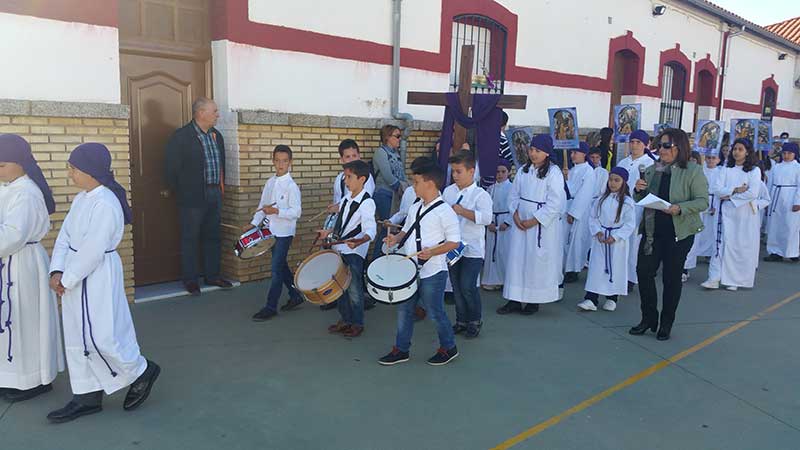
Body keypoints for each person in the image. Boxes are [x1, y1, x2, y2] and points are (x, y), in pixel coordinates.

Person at [48, 143, 160, 423]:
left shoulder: (107, 203)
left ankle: (141, 371)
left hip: (96, 275)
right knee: (77, 336)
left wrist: (68, 279)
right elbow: (65, 238)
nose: (70, 173)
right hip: (74, 275)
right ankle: (86, 394)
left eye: (73, 168)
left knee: (102, 335)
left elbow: (93, 250)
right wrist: (57, 270)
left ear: (90, 170)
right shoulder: (81, 199)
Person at [0, 134, 64, 403]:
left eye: (2, 164)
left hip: (23, 263)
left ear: (22, 163)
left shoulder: (26, 192)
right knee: (11, 321)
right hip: (9, 263)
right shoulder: (9, 186)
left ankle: (35, 378)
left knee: (26, 320)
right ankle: (12, 375)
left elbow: (13, 234)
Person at [378, 159, 460, 366]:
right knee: (405, 310)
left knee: (435, 312)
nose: (413, 186)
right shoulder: (416, 207)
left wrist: (432, 252)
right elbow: (407, 229)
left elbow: (454, 242)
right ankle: (401, 349)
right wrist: (395, 239)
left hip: (434, 272)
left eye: (416, 182)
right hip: (410, 270)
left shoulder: (445, 211)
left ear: (430, 184)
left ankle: (449, 347)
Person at [631, 129, 708, 341]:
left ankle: (666, 323)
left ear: (679, 147)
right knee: (643, 272)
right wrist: (638, 190)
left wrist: (679, 208)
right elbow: (643, 197)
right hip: (651, 231)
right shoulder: (651, 169)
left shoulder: (692, 170)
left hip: (678, 233)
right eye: (660, 145)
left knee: (671, 279)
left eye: (666, 145)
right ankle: (648, 318)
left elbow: (703, 201)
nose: (661, 150)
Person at [164, 97, 232, 296]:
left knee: (213, 236)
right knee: (190, 238)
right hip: (192, 196)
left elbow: (221, 165)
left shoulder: (216, 136)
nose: (218, 115)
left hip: (214, 193)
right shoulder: (181, 137)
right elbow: (171, 170)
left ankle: (213, 275)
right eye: (215, 111)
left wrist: (220, 189)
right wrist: (183, 191)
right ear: (201, 113)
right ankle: (191, 280)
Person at [498, 135, 567, 315]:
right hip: (520, 221)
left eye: (538, 151)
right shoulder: (523, 170)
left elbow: (555, 202)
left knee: (534, 261)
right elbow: (513, 194)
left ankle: (532, 301)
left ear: (546, 153)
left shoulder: (554, 173)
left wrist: (535, 219)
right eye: (532, 150)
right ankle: (514, 298)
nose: (533, 154)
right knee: (516, 260)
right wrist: (515, 213)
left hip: (539, 226)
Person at [320, 160, 376, 338]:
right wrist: (328, 232)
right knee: (340, 288)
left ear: (362, 179)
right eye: (345, 177)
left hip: (354, 252)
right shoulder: (346, 198)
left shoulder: (367, 203)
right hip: (340, 249)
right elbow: (342, 224)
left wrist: (359, 242)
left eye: (349, 177)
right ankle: (345, 319)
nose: (345, 181)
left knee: (354, 290)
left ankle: (357, 323)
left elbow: (370, 230)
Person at [250, 145, 304, 321]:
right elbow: (262, 206)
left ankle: (270, 307)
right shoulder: (270, 182)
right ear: (273, 161)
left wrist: (277, 211)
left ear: (290, 163)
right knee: (280, 266)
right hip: (270, 231)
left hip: (284, 233)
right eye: (278, 160)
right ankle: (295, 295)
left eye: (285, 161)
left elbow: (296, 212)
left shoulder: (291, 186)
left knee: (275, 269)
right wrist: (253, 224)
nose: (281, 164)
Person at [442, 151, 493, 339]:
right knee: (455, 284)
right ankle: (461, 320)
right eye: (453, 171)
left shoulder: (481, 195)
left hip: (472, 248)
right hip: (453, 246)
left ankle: (475, 320)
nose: (455, 175)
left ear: (471, 171)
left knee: (467, 285)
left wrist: (463, 211)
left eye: (459, 171)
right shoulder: (449, 192)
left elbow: (487, 218)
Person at [701, 139, 762, 291]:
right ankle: (714, 278)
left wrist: (729, 196)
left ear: (747, 152)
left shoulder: (754, 171)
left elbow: (752, 193)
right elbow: (716, 188)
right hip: (724, 212)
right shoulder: (725, 169)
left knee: (737, 245)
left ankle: (734, 279)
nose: (736, 152)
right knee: (719, 243)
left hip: (743, 213)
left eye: (740, 149)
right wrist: (734, 190)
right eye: (734, 149)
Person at [577, 167, 636, 312]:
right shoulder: (601, 199)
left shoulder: (627, 202)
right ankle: (591, 298)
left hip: (617, 242)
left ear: (624, 182)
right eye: (611, 179)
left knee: (615, 268)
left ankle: (612, 297)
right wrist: (597, 231)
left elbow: (630, 224)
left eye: (617, 180)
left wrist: (616, 237)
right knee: (596, 268)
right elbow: (593, 217)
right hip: (601, 239)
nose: (613, 183)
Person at [615, 130, 656, 286]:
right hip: (621, 205)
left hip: (639, 207)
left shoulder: (650, 164)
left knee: (634, 242)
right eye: (632, 141)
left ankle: (631, 277)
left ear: (646, 145)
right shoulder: (623, 162)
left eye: (638, 142)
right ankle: (618, 272)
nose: (634, 145)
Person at [682, 147, 723, 281]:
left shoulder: (721, 172)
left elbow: (720, 190)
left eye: (713, 158)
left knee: (710, 234)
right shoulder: (699, 171)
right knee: (693, 237)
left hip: (713, 205)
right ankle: (684, 267)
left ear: (718, 159)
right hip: (697, 205)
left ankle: (710, 256)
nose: (710, 160)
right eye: (709, 158)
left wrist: (715, 206)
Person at [372, 125, 408, 260]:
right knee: (387, 227)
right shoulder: (381, 152)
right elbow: (387, 175)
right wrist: (401, 188)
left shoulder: (396, 153)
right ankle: (376, 259)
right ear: (387, 137)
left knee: (392, 228)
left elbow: (402, 174)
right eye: (397, 136)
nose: (400, 139)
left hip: (395, 195)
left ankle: (386, 257)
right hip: (384, 194)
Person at [563, 142, 595, 283]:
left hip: (579, 209)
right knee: (565, 239)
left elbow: (585, 193)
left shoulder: (588, 171)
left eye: (576, 152)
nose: (572, 155)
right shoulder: (570, 170)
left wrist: (574, 212)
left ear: (584, 154)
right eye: (571, 153)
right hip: (566, 205)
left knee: (577, 240)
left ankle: (574, 269)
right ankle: (564, 266)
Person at [763, 142, 800, 262]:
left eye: (789, 153)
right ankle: (775, 251)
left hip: (790, 197)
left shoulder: (798, 168)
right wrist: (767, 199)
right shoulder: (777, 167)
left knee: (790, 225)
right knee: (775, 225)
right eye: (784, 153)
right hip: (776, 196)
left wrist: (797, 201)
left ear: (795, 154)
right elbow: (770, 183)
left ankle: (792, 251)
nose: (786, 155)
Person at [482, 159, 513, 290]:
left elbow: (515, 207)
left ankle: (506, 280)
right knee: (491, 251)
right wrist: (488, 221)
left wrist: (508, 222)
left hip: (506, 221)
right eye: (497, 172)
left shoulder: (512, 188)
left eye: (503, 172)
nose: (500, 174)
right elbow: (485, 206)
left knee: (503, 251)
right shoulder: (490, 188)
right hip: (492, 221)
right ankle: (492, 279)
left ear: (509, 172)